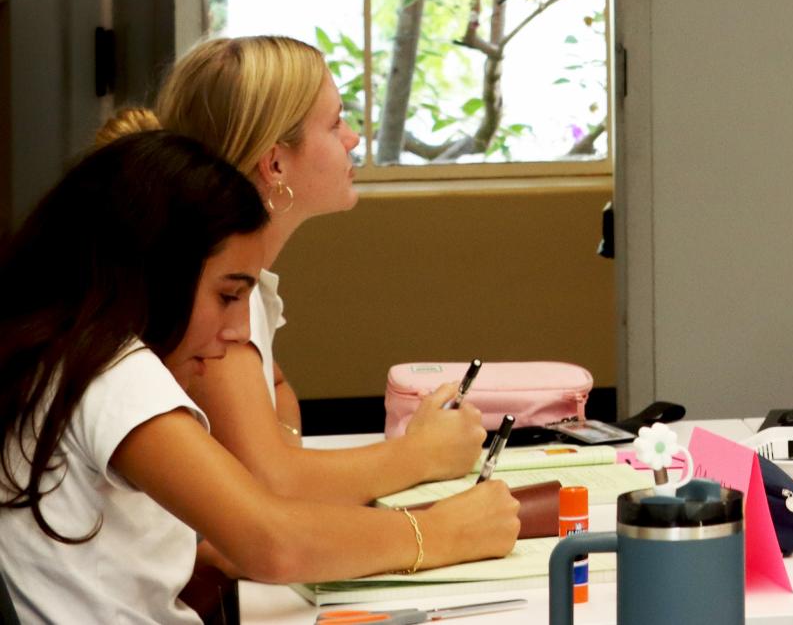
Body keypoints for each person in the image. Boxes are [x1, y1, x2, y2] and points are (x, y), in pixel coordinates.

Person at [0, 132, 518, 625]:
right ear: (154, 273)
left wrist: (212, 562)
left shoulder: (59, 358)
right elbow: (274, 542)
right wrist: (440, 532)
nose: (239, 330)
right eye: (227, 296)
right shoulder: (113, 369)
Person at [100, 35, 485, 502]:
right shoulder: (203, 298)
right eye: (335, 122)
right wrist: (424, 453)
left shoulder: (243, 281)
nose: (353, 138)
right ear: (275, 163)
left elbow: (277, 397)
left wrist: (282, 442)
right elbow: (272, 483)